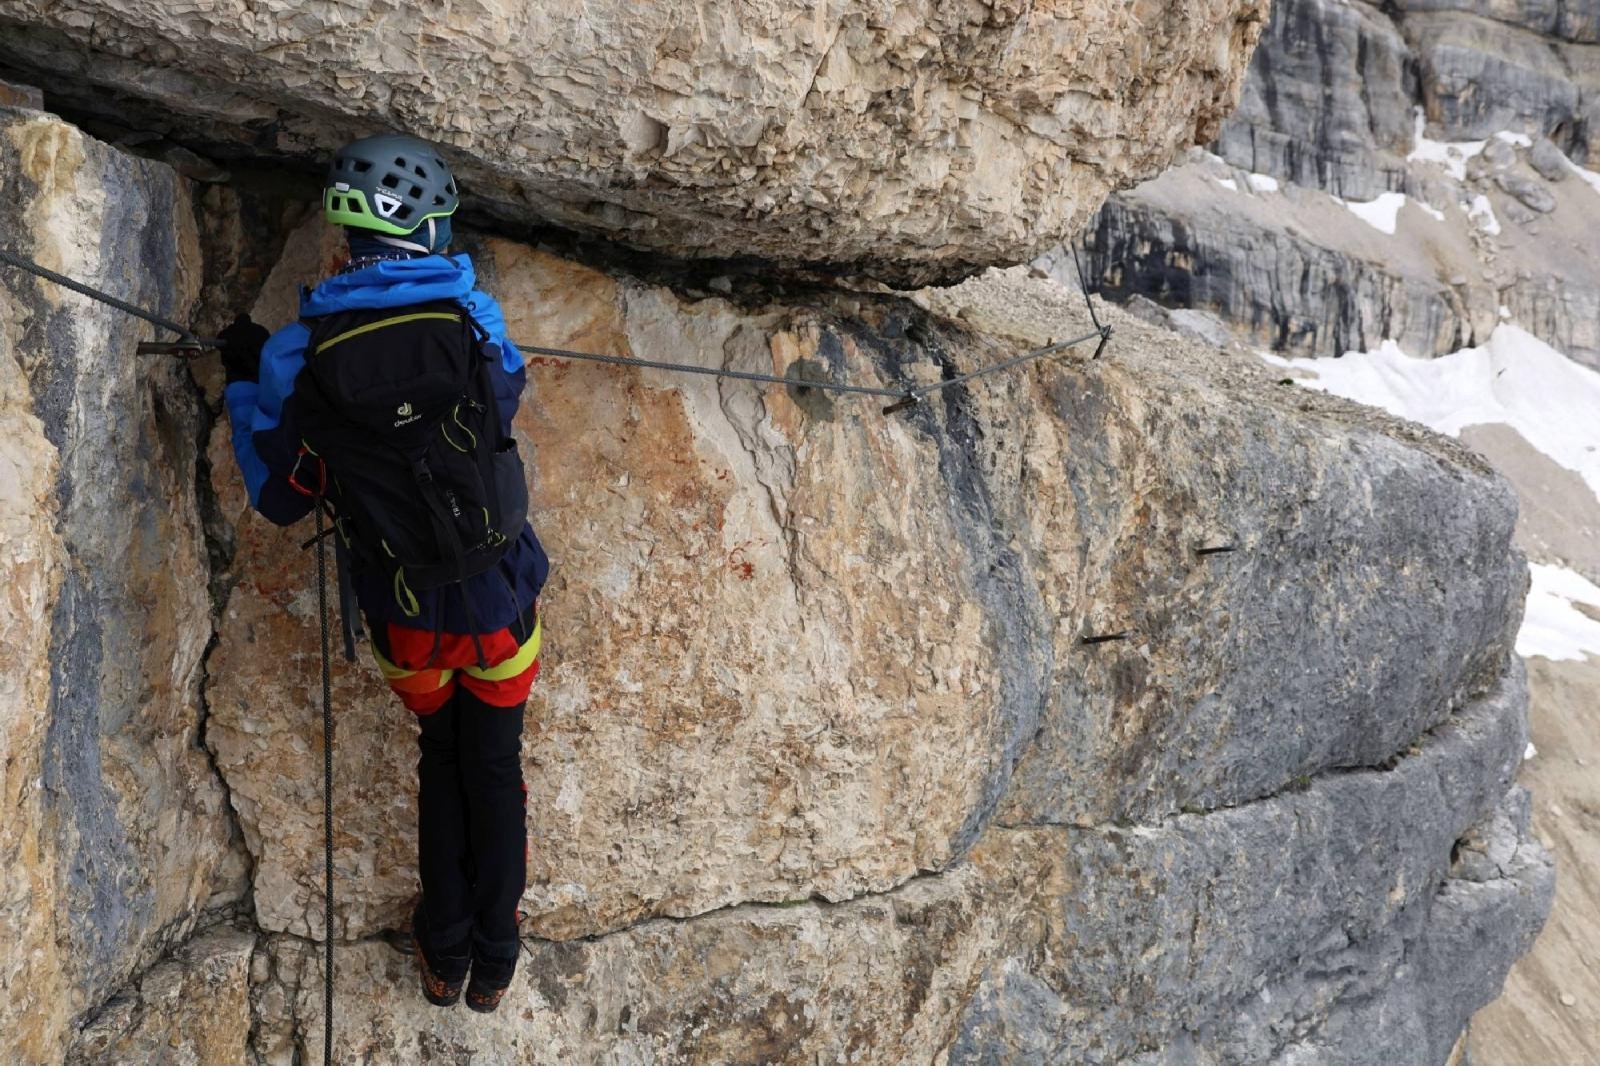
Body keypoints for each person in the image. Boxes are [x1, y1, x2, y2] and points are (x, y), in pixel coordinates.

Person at [219, 132, 549, 1013]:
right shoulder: (474, 318)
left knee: (440, 758)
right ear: (435, 230)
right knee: (493, 765)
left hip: (407, 618)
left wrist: (245, 384)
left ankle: (443, 953)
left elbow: (283, 495)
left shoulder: (299, 353)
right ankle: (495, 959)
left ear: (345, 237)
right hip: (499, 601)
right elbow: (506, 397)